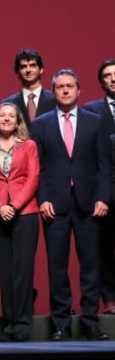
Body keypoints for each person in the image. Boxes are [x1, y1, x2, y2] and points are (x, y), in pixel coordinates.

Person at [31, 69, 110, 341]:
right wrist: (42, 199)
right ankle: (61, 323)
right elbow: (36, 167)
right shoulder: (41, 124)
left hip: (89, 204)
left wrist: (103, 197)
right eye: (60, 87)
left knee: (91, 266)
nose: (65, 91)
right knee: (57, 267)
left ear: (79, 90)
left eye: (70, 86)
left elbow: (104, 164)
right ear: (54, 92)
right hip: (55, 205)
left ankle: (89, 321)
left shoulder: (94, 121)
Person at [0, 102, 40, 342]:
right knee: (6, 270)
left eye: (11, 116)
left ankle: (23, 323)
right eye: (2, 115)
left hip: (25, 214)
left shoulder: (29, 146)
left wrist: (13, 206)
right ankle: (10, 320)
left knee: (23, 270)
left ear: (17, 122)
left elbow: (33, 178)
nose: (6, 119)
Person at [82, 59, 115, 315]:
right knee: (104, 248)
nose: (113, 79)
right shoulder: (92, 112)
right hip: (106, 191)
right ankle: (109, 300)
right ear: (101, 82)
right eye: (107, 75)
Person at [1, 49, 55, 130]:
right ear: (17, 71)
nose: (28, 70)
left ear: (41, 69)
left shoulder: (55, 100)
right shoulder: (8, 103)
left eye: (32, 65)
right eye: (23, 67)